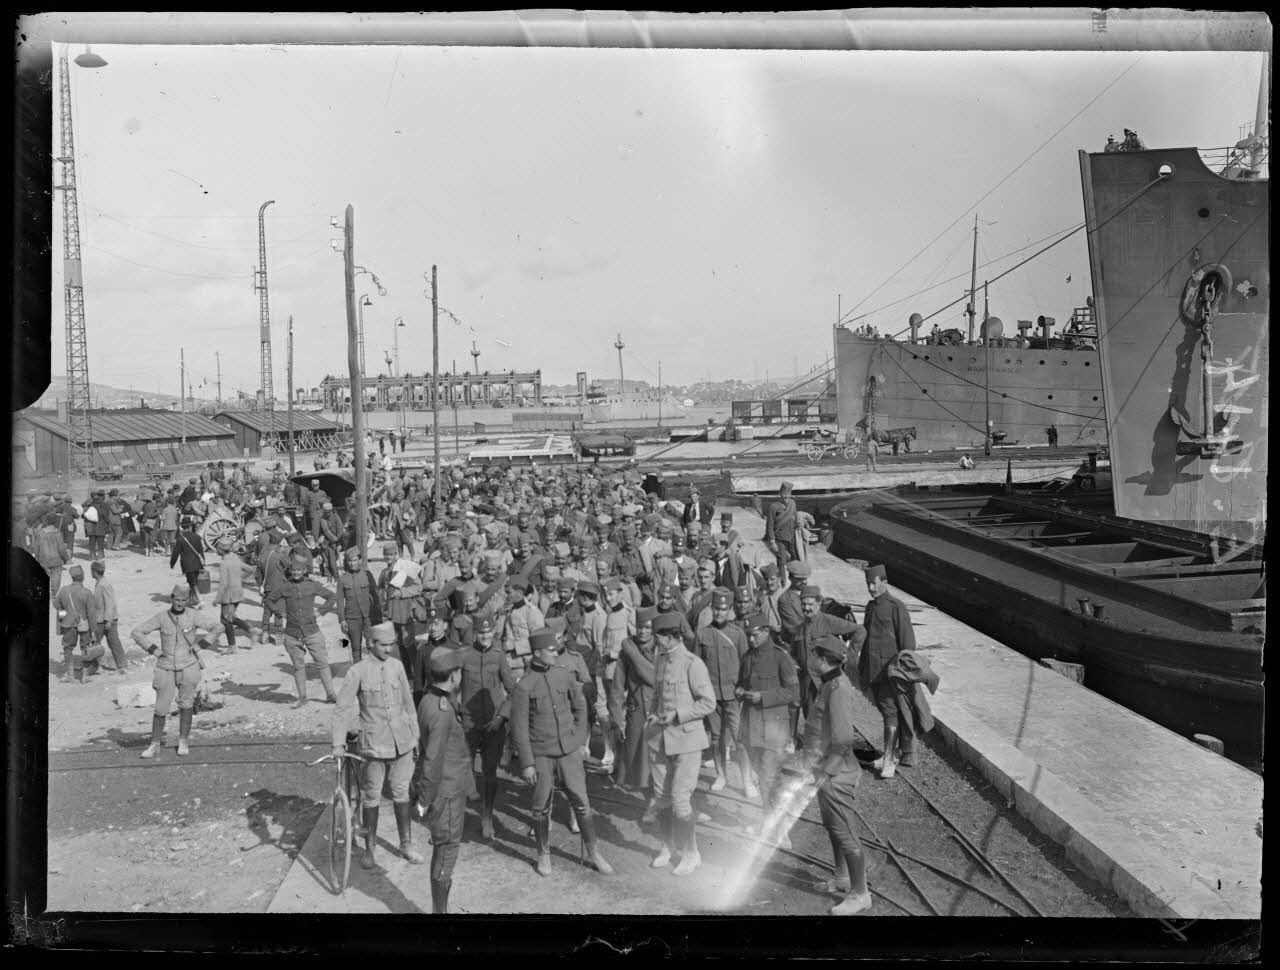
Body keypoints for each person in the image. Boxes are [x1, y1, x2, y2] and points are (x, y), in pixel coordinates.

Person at [510, 629, 614, 877]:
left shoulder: (564, 675)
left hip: (569, 751)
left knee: (582, 803)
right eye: (550, 650)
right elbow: (519, 728)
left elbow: (581, 707)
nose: (555, 652)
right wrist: (527, 763)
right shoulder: (524, 686)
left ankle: (594, 852)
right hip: (542, 754)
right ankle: (543, 854)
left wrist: (578, 740)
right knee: (540, 807)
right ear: (536, 653)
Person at [333, 620, 423, 871]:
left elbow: (408, 705)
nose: (388, 649)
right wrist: (338, 743)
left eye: (392, 644)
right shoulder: (357, 671)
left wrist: (415, 738)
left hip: (402, 743)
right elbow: (342, 710)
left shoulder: (397, 666)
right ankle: (370, 850)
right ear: (370, 643)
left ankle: (406, 845)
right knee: (371, 796)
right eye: (383, 645)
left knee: (401, 792)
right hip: (374, 745)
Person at [796, 634, 872, 915]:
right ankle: (842, 877)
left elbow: (842, 739)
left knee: (846, 832)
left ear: (824, 660)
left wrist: (825, 773)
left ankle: (860, 894)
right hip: (825, 769)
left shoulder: (838, 688)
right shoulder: (830, 684)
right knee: (832, 826)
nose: (812, 659)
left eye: (815, 655)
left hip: (837, 773)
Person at [646, 611, 716, 876]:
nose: (655, 642)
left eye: (658, 637)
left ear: (670, 636)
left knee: (680, 800)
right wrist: (652, 717)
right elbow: (657, 695)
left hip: (687, 741)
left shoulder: (692, 663)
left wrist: (678, 715)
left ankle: (691, 853)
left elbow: (708, 703)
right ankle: (667, 847)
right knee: (662, 798)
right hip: (659, 740)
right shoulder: (660, 659)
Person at [131, 584, 223, 758]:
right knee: (160, 708)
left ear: (187, 600)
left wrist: (200, 645)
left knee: (186, 704)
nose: (180, 603)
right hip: (165, 668)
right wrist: (154, 650)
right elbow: (137, 632)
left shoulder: (194, 615)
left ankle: (183, 741)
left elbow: (218, 627)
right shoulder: (162, 617)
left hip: (188, 667)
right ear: (171, 599)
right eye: (177, 600)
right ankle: (155, 744)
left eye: (183, 600)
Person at [736, 613, 800, 846]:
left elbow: (793, 693)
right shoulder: (748, 657)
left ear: (765, 632)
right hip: (751, 727)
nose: (751, 640)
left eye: (753, 635)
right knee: (762, 780)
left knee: (771, 780)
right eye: (748, 636)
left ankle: (781, 829)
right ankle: (767, 821)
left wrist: (763, 697)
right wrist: (739, 691)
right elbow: (741, 682)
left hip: (773, 729)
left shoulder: (781, 658)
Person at [414, 645, 469, 912]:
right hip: (447, 792)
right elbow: (433, 759)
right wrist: (425, 797)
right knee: (446, 851)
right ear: (454, 676)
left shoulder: (427, 700)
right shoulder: (443, 712)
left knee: (442, 850)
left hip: (445, 788)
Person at [459, 615, 517, 841]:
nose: (484, 636)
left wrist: (502, 717)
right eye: (480, 633)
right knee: (462, 772)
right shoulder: (465, 655)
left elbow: (512, 691)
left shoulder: (499, 655)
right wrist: (458, 711)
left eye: (488, 632)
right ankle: (455, 821)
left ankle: (487, 817)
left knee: (490, 775)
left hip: (494, 724)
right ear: (475, 633)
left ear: (494, 632)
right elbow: (454, 685)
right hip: (469, 724)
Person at [859, 564, 917, 779]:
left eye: (874, 583)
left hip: (889, 673)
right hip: (874, 672)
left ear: (884, 582)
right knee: (887, 714)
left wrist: (901, 673)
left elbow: (908, 644)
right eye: (868, 584)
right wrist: (863, 671)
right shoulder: (870, 607)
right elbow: (866, 642)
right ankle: (890, 754)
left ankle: (890, 760)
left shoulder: (896, 607)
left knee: (891, 714)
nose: (871, 588)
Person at [267, 553, 339, 707]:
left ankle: (331, 695)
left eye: (299, 570)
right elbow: (269, 600)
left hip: (312, 631)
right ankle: (302, 697)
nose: (296, 573)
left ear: (304, 571)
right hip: (292, 634)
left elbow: (332, 597)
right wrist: (280, 613)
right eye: (293, 570)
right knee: (298, 666)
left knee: (322, 663)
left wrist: (321, 612)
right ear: (290, 571)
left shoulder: (312, 585)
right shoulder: (285, 587)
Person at [695, 587, 749, 794]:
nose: (719, 613)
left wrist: (742, 688)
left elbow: (747, 665)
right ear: (712, 608)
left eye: (724, 609)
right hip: (712, 697)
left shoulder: (738, 634)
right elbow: (697, 665)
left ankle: (746, 780)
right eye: (716, 609)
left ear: (730, 610)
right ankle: (721, 775)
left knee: (739, 739)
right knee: (716, 738)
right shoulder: (703, 634)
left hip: (733, 696)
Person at [610, 606, 658, 809]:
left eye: (648, 627)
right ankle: (650, 801)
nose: (643, 632)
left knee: (660, 759)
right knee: (639, 760)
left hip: (659, 709)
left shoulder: (661, 648)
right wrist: (617, 719)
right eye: (640, 627)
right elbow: (617, 688)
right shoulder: (626, 651)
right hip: (637, 710)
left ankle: (662, 802)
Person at [336, 548, 383, 663]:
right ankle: (359, 674)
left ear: (360, 560)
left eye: (355, 560)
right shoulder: (342, 579)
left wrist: (378, 617)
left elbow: (375, 596)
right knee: (356, 648)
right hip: (352, 618)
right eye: (350, 561)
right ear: (346, 562)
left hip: (368, 617)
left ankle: (375, 672)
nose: (352, 563)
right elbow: (340, 601)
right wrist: (342, 620)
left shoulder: (367, 575)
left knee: (372, 645)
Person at [213, 536, 257, 651]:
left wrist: (217, 599)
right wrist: (239, 579)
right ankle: (250, 631)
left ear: (221, 549)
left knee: (225, 620)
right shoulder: (236, 559)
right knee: (229, 617)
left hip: (228, 595)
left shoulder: (224, 563)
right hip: (238, 592)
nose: (216, 549)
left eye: (217, 547)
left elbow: (223, 584)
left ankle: (233, 646)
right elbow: (251, 570)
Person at [55, 564, 97, 682]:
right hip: (84, 625)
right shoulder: (87, 592)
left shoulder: (64, 590)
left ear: (71, 577)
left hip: (68, 624)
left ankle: (70, 676)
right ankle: (84, 676)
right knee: (85, 648)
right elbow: (91, 614)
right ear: (82, 577)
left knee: (68, 648)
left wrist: (63, 618)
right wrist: (93, 630)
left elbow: (57, 605)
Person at [89, 560, 129, 673]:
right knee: (102, 642)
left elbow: (110, 603)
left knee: (103, 642)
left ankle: (119, 666)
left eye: (92, 570)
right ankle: (117, 666)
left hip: (105, 620)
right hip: (102, 619)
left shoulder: (104, 584)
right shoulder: (100, 583)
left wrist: (108, 620)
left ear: (95, 572)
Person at [170, 519, 207, 609]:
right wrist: (203, 563)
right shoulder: (197, 537)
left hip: (187, 565)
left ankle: (200, 600)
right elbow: (201, 552)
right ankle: (192, 600)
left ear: (182, 527)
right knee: (193, 582)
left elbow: (175, 553)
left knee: (192, 583)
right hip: (197, 563)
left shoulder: (180, 539)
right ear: (190, 527)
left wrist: (172, 563)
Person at [764, 481, 799, 574]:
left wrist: (800, 525)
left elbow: (795, 517)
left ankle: (795, 577)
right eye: (784, 494)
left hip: (791, 537)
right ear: (780, 494)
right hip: (779, 538)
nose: (786, 497)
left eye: (788, 494)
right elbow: (769, 526)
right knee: (781, 561)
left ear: (790, 494)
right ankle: (782, 580)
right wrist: (772, 542)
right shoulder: (773, 507)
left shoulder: (793, 504)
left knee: (795, 558)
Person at [35, 512, 70, 602]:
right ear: (55, 522)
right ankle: (54, 594)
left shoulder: (40, 533)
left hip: (43, 560)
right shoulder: (57, 533)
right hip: (56, 561)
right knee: (56, 579)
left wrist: (37, 560)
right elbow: (62, 549)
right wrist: (66, 559)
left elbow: (36, 548)